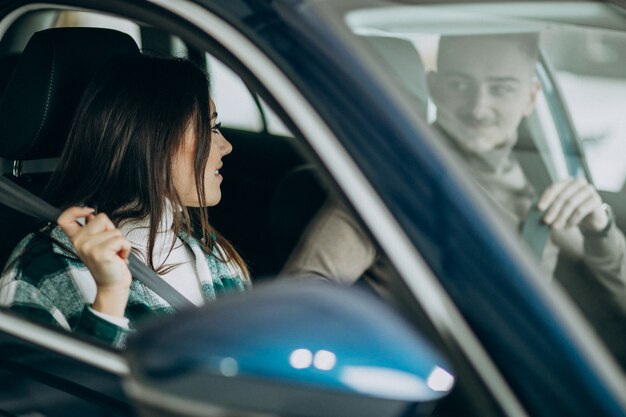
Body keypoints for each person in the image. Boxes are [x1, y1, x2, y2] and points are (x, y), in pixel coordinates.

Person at [283, 33, 626, 364]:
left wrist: (601, 228)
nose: (478, 107)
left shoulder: (540, 187)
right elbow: (301, 295)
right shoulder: (396, 178)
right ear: (434, 86)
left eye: (501, 89)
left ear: (531, 97)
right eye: (460, 85)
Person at [0, 56, 250, 348]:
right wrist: (109, 298)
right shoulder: (42, 271)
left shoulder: (213, 254)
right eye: (209, 129)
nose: (226, 146)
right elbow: (33, 392)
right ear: (154, 139)